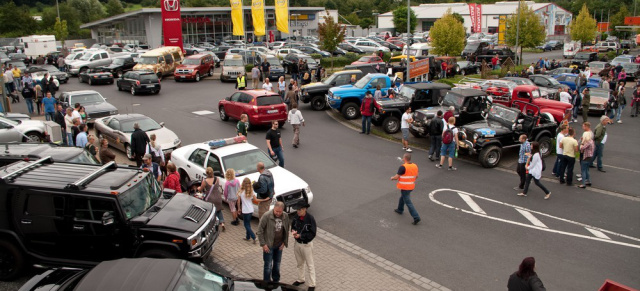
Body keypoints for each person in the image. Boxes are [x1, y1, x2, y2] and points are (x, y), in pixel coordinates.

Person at [257, 201, 290, 283]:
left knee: (277, 264)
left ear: (283, 210)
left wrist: (284, 242)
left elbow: (286, 229)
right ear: (274, 209)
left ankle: (276, 281)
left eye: (280, 212)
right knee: (268, 266)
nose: (278, 213)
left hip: (279, 245)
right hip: (268, 246)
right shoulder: (267, 216)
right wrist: (263, 244)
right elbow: (260, 230)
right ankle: (266, 282)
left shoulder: (285, 216)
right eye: (276, 211)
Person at [291, 203, 317, 290]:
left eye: (300, 210)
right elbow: (293, 226)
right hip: (297, 244)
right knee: (299, 263)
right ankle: (300, 279)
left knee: (310, 265)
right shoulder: (296, 217)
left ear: (305, 209)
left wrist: (301, 236)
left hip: (307, 245)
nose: (298, 211)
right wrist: (293, 232)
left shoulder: (310, 219)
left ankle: (312, 284)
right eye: (297, 210)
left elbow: (312, 233)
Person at [392, 153, 421, 225]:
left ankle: (416, 217)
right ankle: (400, 209)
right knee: (403, 197)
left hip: (405, 187)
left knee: (408, 202)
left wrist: (392, 178)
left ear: (404, 158)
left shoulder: (403, 167)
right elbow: (417, 176)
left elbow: (396, 177)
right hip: (411, 186)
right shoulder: (415, 165)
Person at [238, 177, 257, 242]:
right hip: (251, 210)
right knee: (248, 224)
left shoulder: (241, 191)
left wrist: (239, 208)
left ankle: (253, 237)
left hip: (245, 210)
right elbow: (255, 199)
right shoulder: (251, 191)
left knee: (246, 225)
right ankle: (247, 237)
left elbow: (238, 201)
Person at [578, 123, 594, 189]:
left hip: (585, 157)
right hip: (590, 157)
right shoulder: (591, 141)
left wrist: (582, 143)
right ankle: (589, 181)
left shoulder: (587, 142)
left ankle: (583, 183)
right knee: (587, 170)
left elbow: (582, 148)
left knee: (583, 170)